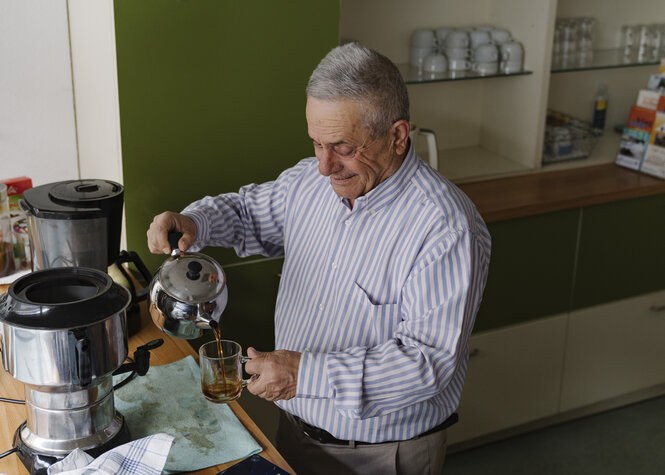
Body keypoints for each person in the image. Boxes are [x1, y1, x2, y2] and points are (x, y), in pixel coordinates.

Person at [147, 42, 491, 475]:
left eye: (343, 147)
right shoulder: (309, 183)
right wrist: (195, 220)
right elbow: (247, 212)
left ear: (398, 136)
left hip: (380, 454)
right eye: (316, 144)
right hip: (294, 429)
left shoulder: (445, 227)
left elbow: (426, 364)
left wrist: (301, 375)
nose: (325, 166)